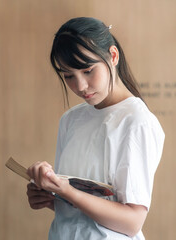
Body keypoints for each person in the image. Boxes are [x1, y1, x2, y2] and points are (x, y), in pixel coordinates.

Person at [26, 17, 164, 239]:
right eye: (68, 76)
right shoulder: (70, 120)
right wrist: (51, 196)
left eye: (88, 70)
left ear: (113, 56)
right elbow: (83, 211)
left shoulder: (137, 122)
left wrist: (68, 191)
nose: (80, 86)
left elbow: (132, 222)